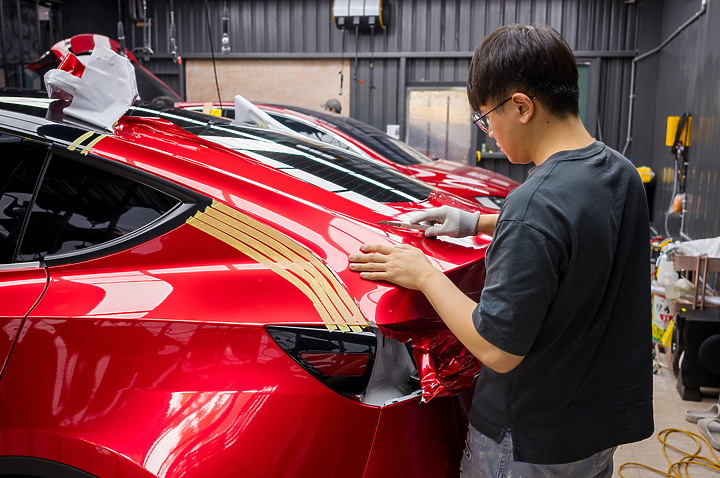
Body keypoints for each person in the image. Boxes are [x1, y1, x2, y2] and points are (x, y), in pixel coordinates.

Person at [348, 23, 653, 477]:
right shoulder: (619, 170)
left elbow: (497, 349)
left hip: (528, 440)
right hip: (595, 431)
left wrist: (424, 274)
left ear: (522, 107)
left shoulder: (536, 201)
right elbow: (578, 224)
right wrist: (477, 222)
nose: (488, 133)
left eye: (486, 117)